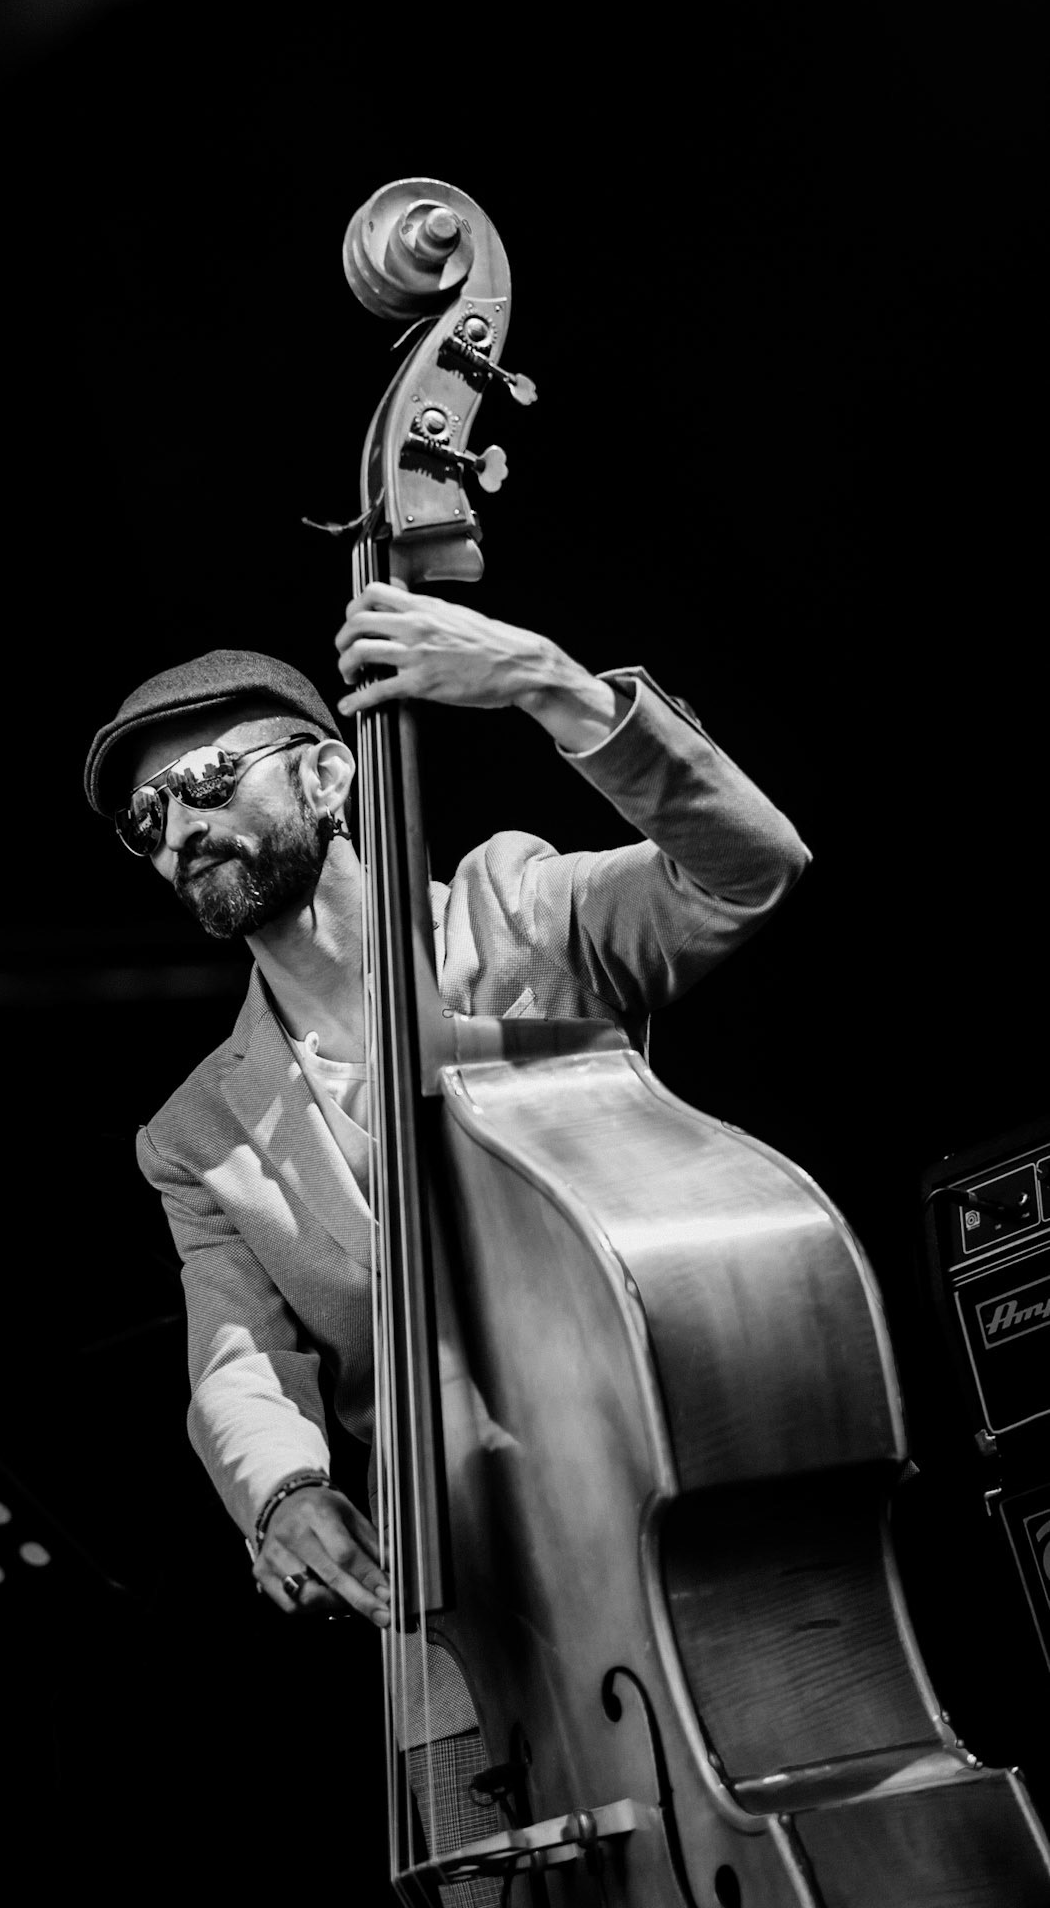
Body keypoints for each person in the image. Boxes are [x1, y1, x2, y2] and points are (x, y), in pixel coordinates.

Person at [82, 579, 811, 1885]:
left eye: (205, 783)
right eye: (146, 823)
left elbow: (748, 867)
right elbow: (234, 1360)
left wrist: (547, 681)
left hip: (657, 1519)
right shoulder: (193, 1134)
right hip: (450, 1609)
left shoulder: (516, 914)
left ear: (323, 774)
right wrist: (285, 1493)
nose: (179, 830)